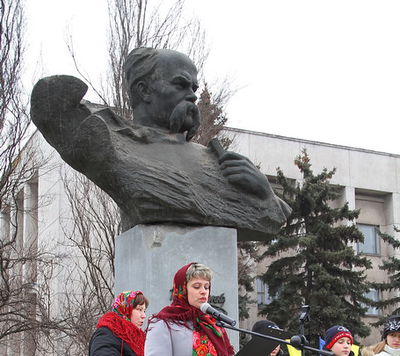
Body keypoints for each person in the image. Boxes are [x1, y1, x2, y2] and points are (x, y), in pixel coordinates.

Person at [30, 48, 290, 241]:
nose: (191, 95)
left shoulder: (217, 162)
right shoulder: (108, 142)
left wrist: (264, 194)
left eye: (194, 88)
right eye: (180, 84)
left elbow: (272, 222)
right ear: (144, 90)